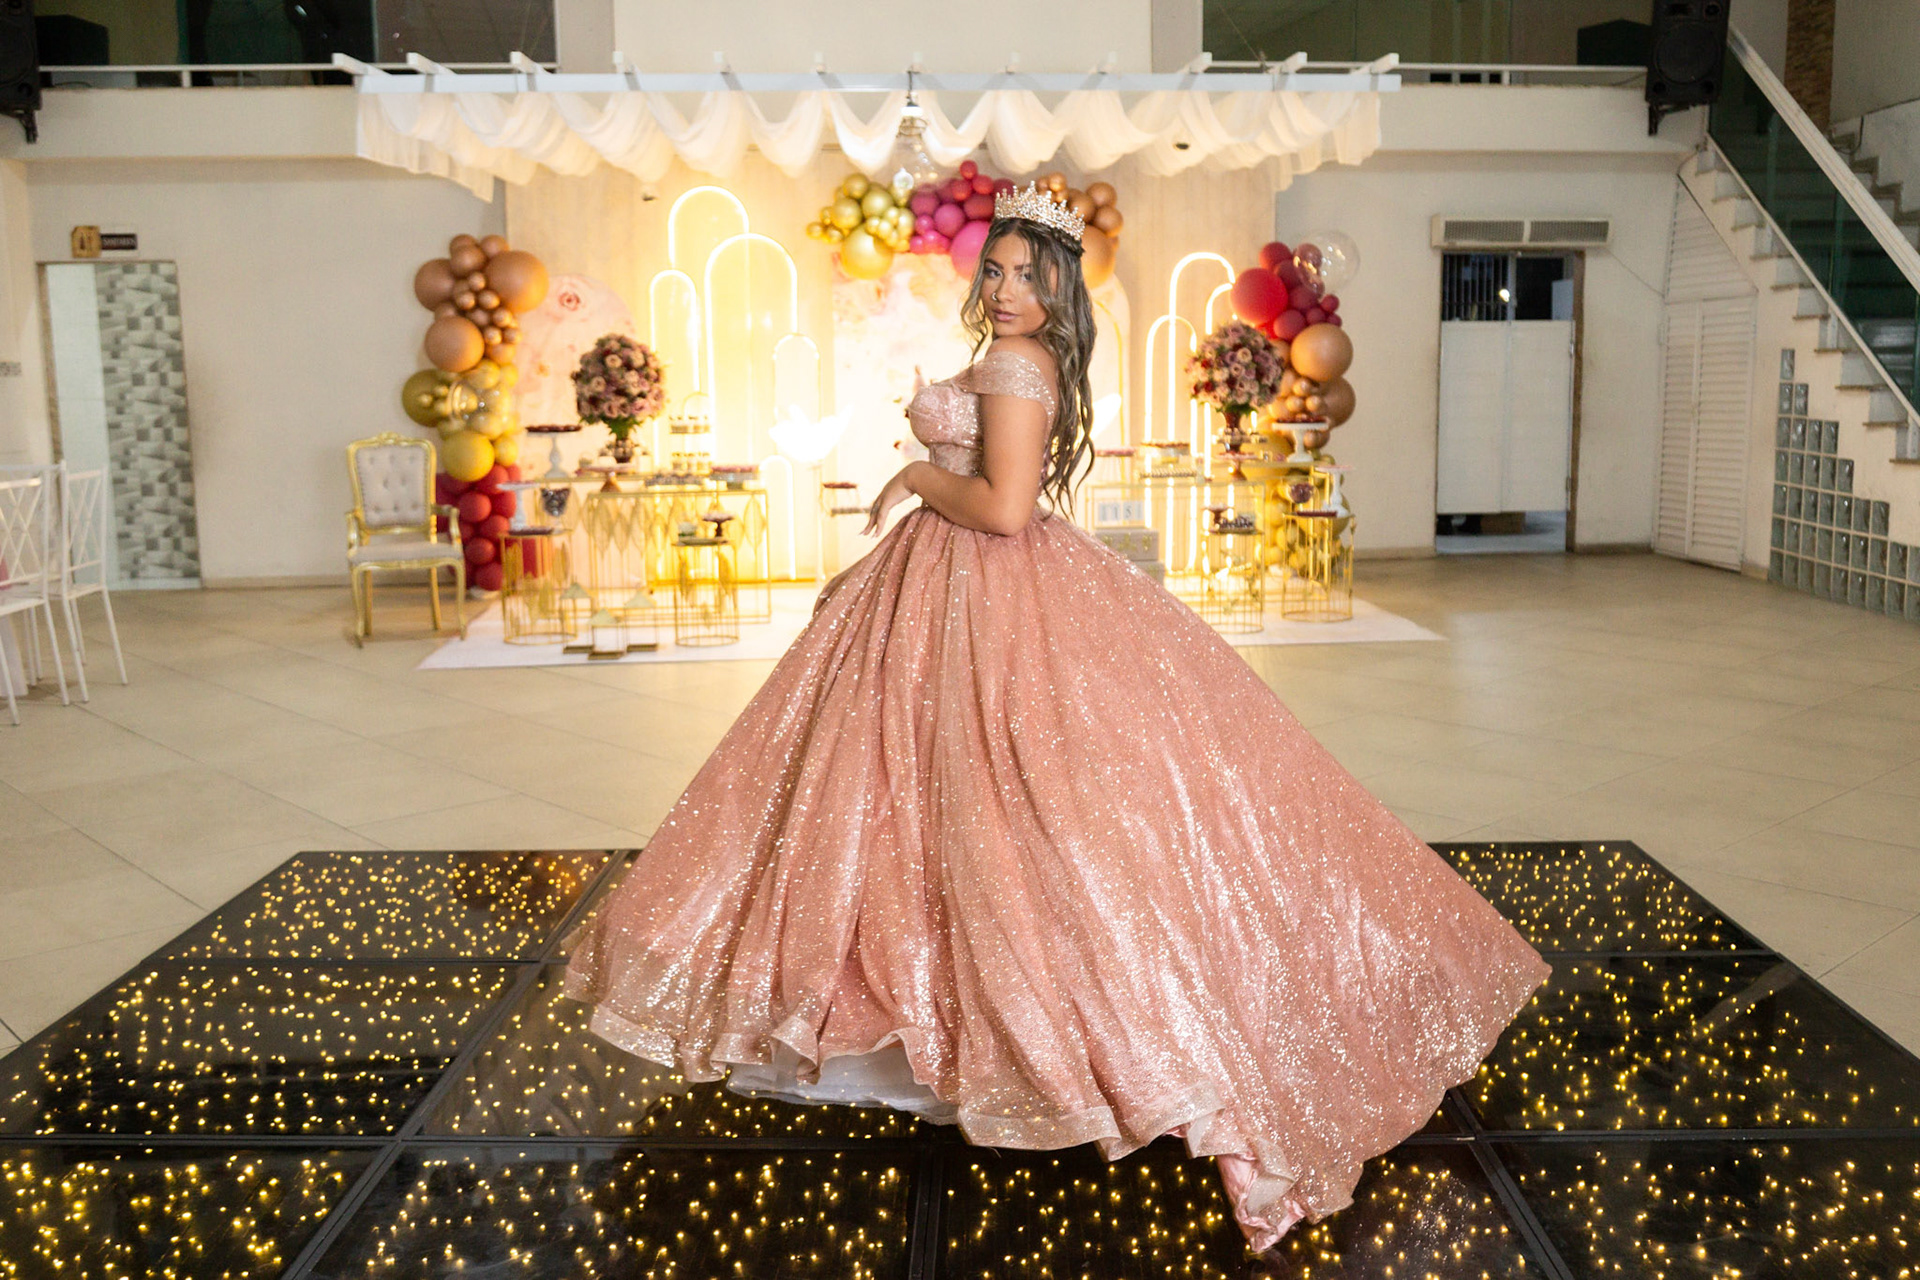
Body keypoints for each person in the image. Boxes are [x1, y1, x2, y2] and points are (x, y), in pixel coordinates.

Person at [563, 183, 1552, 1252]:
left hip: (984, 581)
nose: (1004, 289)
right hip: (946, 586)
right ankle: (954, 1019)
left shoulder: (1014, 366)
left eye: (1027, 276)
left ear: (1057, 290)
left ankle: (1035, 1032)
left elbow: (1002, 509)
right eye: (995, 270)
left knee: (1005, 804)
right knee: (928, 804)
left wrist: (913, 474)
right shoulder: (1014, 359)